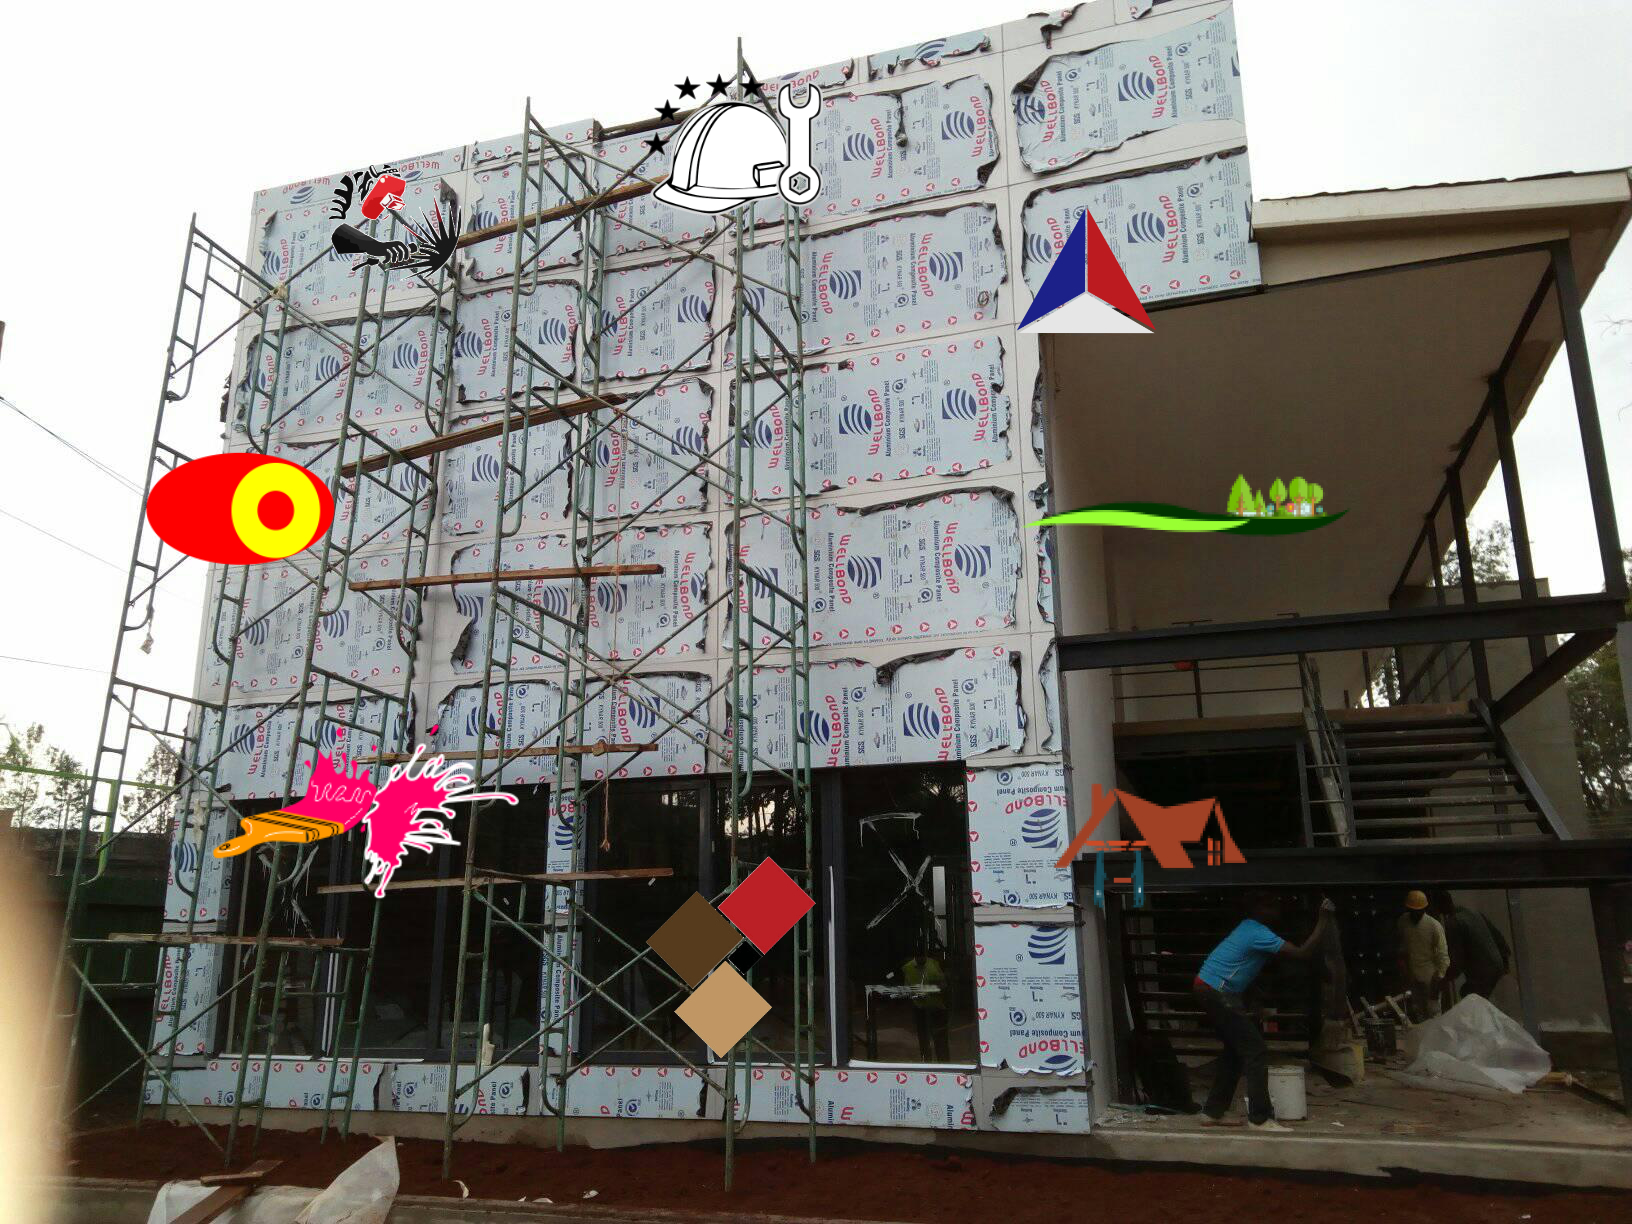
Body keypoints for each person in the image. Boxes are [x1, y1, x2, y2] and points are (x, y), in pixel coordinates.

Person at [1192, 892, 1336, 1132]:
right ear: (1260, 910)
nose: (1278, 913)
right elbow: (1302, 953)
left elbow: (1244, 968)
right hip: (1217, 991)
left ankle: (1213, 1112)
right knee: (1255, 1050)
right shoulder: (1258, 933)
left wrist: (1254, 1003)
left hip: (1208, 988)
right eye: (1273, 907)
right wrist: (1324, 919)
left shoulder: (1248, 928)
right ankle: (1259, 1118)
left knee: (1235, 1052)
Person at [1432, 891, 1511, 1003]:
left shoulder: (1454, 923)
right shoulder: (1473, 913)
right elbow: (1498, 937)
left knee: (1470, 997)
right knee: (1475, 996)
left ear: (1440, 906)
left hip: (1482, 970)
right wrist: (1504, 962)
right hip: (1496, 965)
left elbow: (1456, 960)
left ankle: (1483, 1019)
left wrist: (1443, 981)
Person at [1396, 889, 1450, 1020]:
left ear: (1424, 909)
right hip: (1412, 976)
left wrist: (1439, 977)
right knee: (1419, 1013)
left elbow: (1443, 955)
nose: (1415, 913)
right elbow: (1402, 945)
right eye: (1412, 911)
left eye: (1418, 911)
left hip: (1430, 977)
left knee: (1433, 1014)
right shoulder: (1403, 922)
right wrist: (1403, 967)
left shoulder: (1433, 926)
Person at [900, 942, 950, 1062]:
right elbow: (907, 988)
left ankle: (944, 1063)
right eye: (919, 958)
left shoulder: (933, 964)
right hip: (920, 1009)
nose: (922, 960)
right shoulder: (907, 968)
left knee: (940, 1038)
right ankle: (927, 1063)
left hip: (936, 1008)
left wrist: (933, 989)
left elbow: (943, 985)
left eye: (924, 958)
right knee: (923, 1039)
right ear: (915, 957)